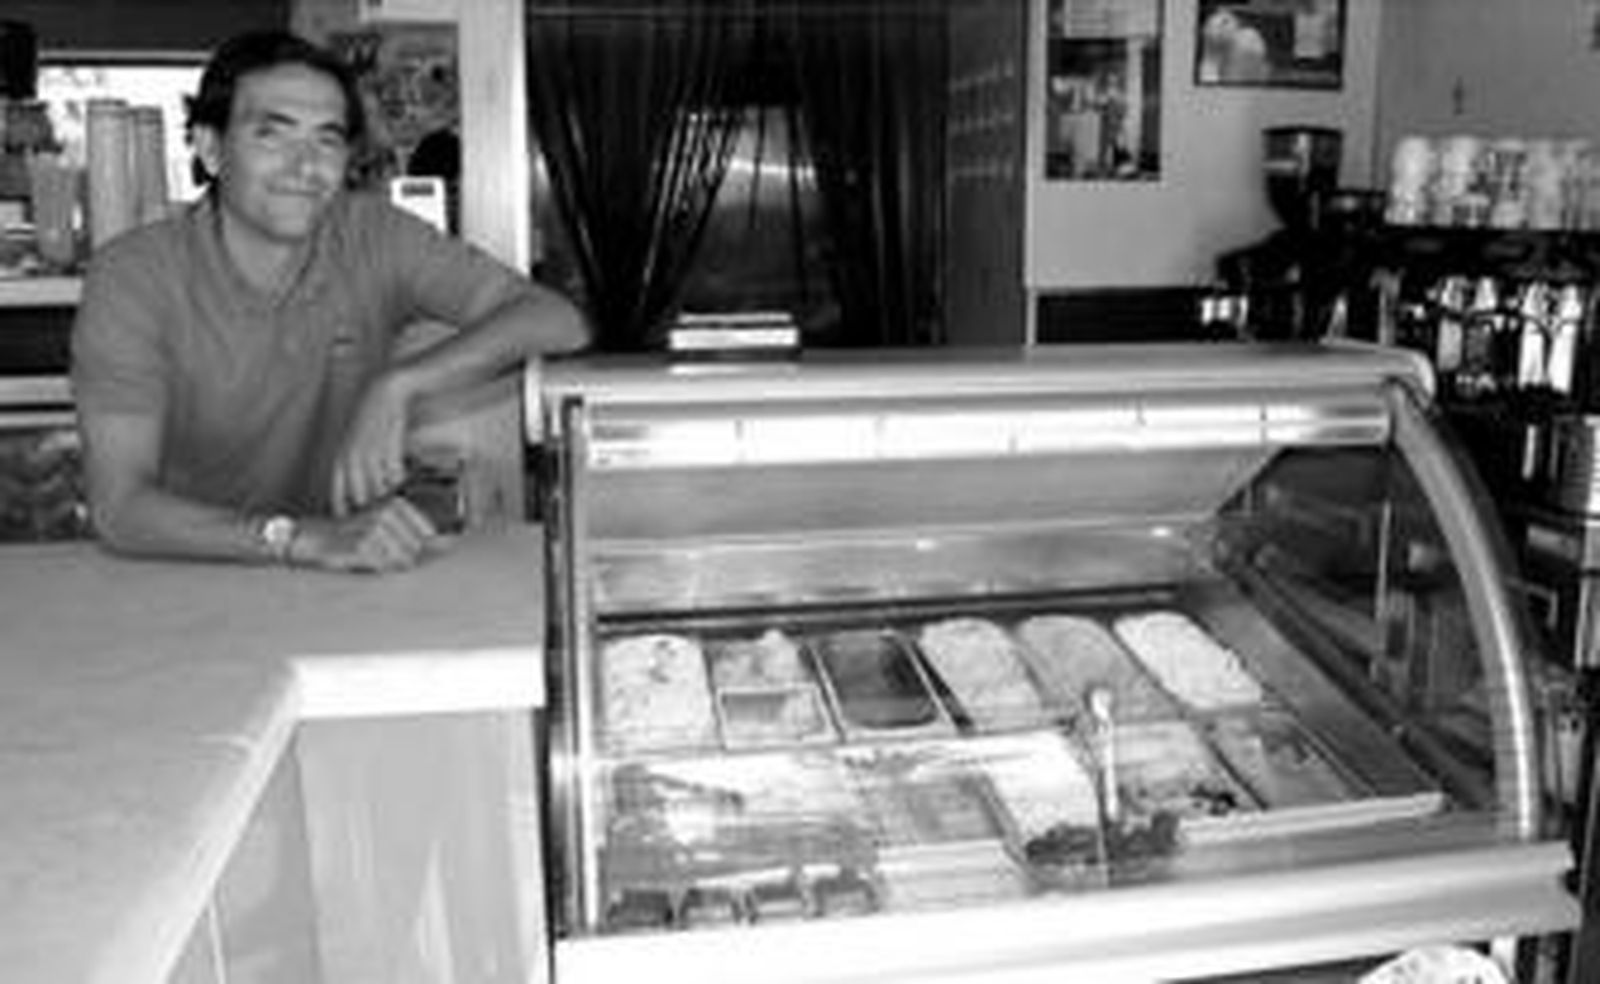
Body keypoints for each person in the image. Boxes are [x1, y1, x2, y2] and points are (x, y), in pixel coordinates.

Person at [70, 30, 589, 573]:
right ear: (210, 148)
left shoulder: (371, 235)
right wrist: (299, 539)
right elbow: (121, 509)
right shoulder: (132, 277)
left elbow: (557, 320)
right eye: (273, 135)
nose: (305, 166)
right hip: (177, 573)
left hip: (336, 578)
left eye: (327, 139)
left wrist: (399, 386)